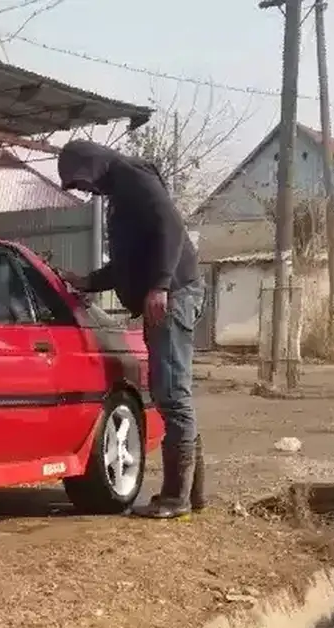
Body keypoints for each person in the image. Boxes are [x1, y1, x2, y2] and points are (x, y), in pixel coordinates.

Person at [56, 140, 205, 519]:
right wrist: (86, 281)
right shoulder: (120, 193)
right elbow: (126, 262)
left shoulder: (131, 176)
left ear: (91, 166)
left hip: (174, 294)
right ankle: (192, 494)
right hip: (168, 292)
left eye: (81, 183)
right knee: (170, 391)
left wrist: (160, 284)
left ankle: (176, 498)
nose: (86, 191)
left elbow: (169, 226)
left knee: (172, 393)